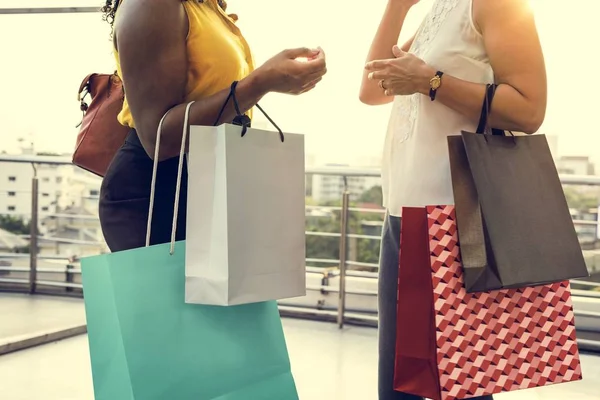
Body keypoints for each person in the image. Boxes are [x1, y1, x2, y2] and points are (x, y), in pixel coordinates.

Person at [359, 0, 546, 399]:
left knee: (461, 387)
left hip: (453, 219)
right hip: (403, 216)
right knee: (400, 388)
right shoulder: (439, 11)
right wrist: (397, 7)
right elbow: (371, 89)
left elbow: (529, 109)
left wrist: (432, 82)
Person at [99, 0, 327, 252]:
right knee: (171, 292)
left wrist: (263, 83)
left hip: (211, 181)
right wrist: (261, 83)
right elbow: (158, 139)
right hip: (162, 194)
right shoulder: (153, 4)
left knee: (234, 290)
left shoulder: (205, 7)